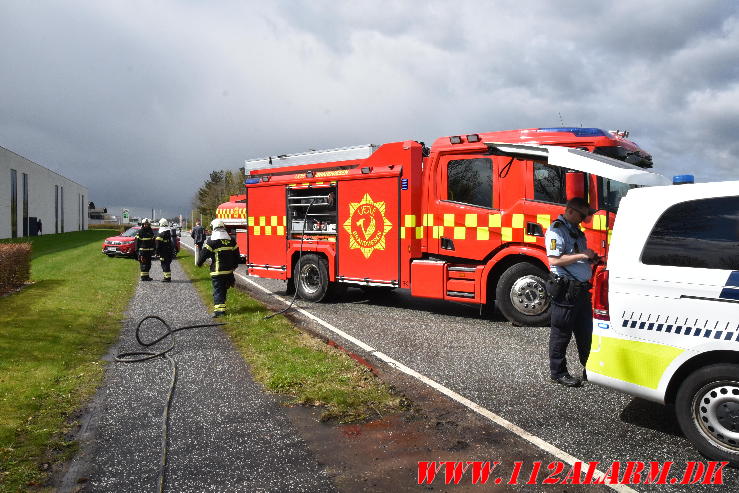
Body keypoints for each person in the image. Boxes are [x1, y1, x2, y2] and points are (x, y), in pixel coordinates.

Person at [545, 197, 600, 388]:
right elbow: (554, 260)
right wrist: (583, 255)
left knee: (586, 333)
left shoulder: (576, 231)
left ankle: (589, 370)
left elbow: (576, 258)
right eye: (582, 216)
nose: (584, 220)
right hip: (566, 290)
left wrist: (589, 260)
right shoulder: (557, 230)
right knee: (561, 333)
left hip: (581, 291)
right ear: (570, 211)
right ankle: (558, 372)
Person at [197, 218, 240, 317]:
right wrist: (234, 266)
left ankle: (219, 311)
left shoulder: (212, 241)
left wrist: (199, 263)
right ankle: (222, 307)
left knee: (218, 290)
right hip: (228, 271)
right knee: (223, 290)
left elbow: (204, 254)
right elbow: (237, 255)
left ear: (214, 228)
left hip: (217, 271)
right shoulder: (231, 240)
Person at [155, 218, 175, 283]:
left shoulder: (160, 234)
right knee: (167, 263)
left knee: (164, 264)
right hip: (169, 251)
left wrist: (157, 253)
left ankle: (167, 278)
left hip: (163, 252)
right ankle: (167, 277)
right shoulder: (168, 232)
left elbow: (158, 245)